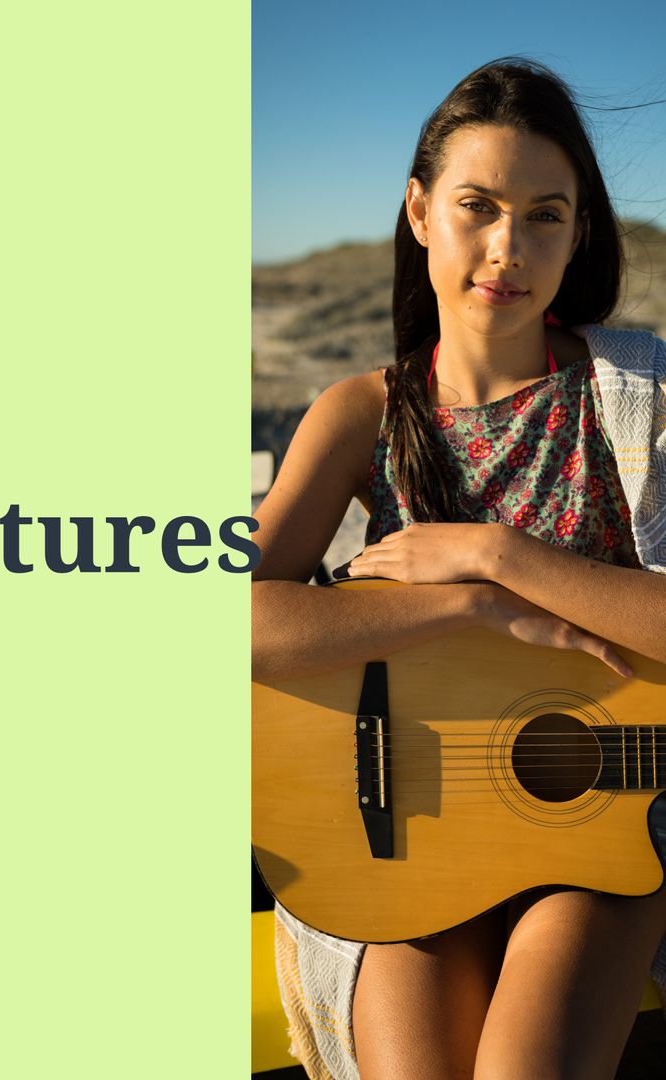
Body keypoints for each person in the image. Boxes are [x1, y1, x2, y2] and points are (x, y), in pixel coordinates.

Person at [252, 58, 666, 1080]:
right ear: (420, 210)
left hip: (606, 849)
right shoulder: (362, 415)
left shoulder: (634, 397)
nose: (507, 248)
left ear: (579, 233)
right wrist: (471, 607)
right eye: (478, 206)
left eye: (546, 216)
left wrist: (495, 551)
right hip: (411, 836)